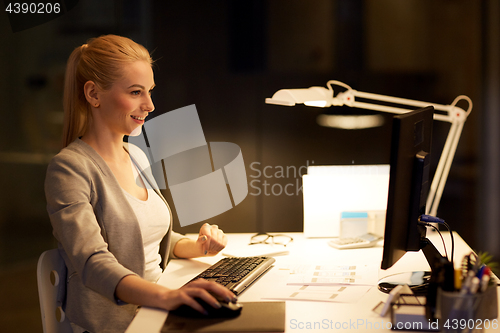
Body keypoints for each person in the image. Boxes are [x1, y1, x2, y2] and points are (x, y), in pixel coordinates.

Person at [44, 35, 236, 333]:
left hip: (156, 308)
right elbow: (93, 262)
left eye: (149, 91)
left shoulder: (135, 155)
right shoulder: (69, 169)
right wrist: (168, 297)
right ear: (94, 94)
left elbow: (146, 241)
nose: (149, 105)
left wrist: (197, 246)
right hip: (118, 323)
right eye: (136, 92)